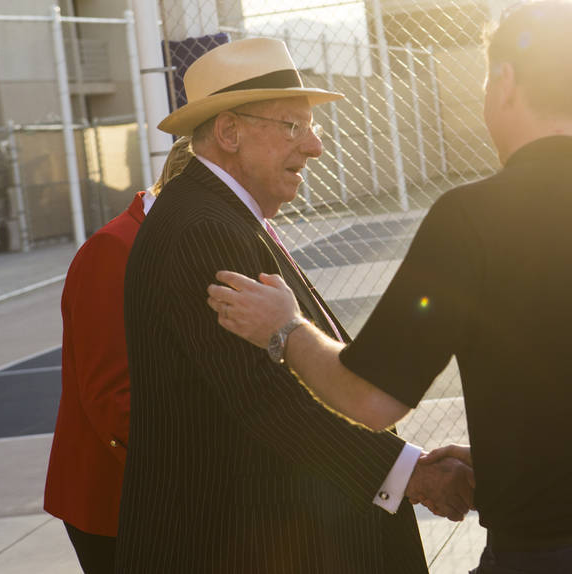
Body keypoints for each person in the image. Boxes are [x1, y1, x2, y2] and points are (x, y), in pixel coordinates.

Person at [208, 0, 572, 574]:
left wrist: (286, 328)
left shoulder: (473, 218)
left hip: (552, 547)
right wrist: (508, 459)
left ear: (504, 82)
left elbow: (370, 399)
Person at [116, 37, 472, 574]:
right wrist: (410, 475)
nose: (314, 147)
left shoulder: (216, 215)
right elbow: (263, 401)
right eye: (293, 126)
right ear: (230, 132)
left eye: (314, 128)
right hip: (244, 543)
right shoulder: (204, 230)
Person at [43, 135, 193, 574]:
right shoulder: (115, 248)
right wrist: (195, 485)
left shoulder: (185, 239)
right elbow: (113, 396)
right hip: (119, 501)